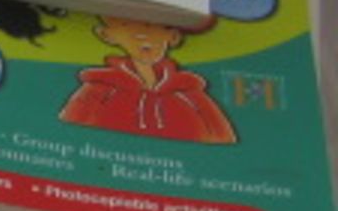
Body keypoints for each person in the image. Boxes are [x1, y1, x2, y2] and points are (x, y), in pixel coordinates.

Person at [59, 15, 236, 143]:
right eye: (126, 24)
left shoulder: (189, 92)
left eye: (157, 27)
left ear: (173, 36)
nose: (143, 34)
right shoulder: (100, 87)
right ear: (107, 35)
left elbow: (222, 137)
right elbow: (68, 130)